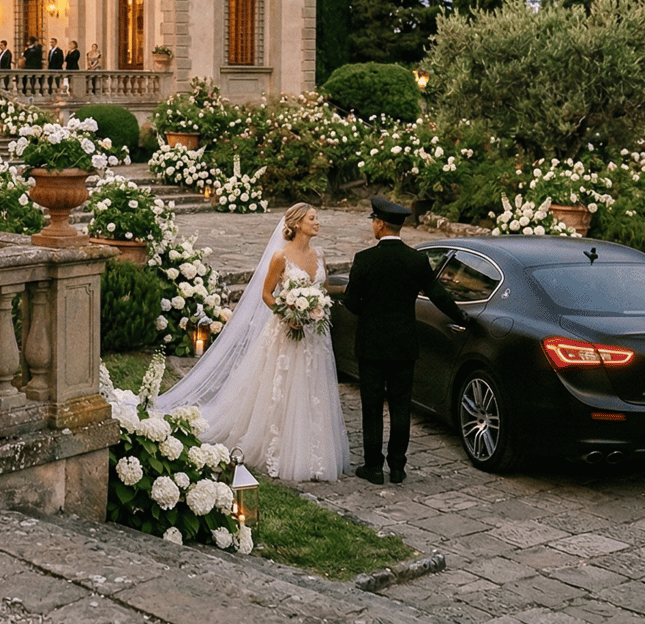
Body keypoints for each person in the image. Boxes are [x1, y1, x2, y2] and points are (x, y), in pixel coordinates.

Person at [158, 204, 349, 482]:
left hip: (314, 335)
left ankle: (313, 449)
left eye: (317, 218)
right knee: (281, 386)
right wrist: (288, 313)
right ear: (296, 224)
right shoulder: (280, 257)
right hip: (286, 332)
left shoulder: (319, 255)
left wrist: (325, 300)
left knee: (313, 385)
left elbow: (322, 289)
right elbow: (267, 294)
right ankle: (278, 445)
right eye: (312, 218)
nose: (317, 222)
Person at [342, 196, 466, 485]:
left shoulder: (365, 259)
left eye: (373, 220)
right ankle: (397, 467)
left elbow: (350, 301)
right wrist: (460, 317)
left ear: (380, 224)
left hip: (371, 346)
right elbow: (438, 295)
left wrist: (370, 315)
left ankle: (372, 467)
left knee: (371, 408)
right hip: (403, 346)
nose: (373, 225)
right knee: (400, 407)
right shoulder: (416, 259)